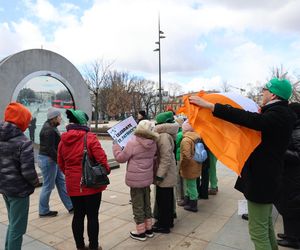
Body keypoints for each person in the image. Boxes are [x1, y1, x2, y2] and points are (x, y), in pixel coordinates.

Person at [189, 78, 296, 250]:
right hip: (268, 179)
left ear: (273, 94)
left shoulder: (278, 114)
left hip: (263, 180)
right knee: (266, 226)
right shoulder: (278, 112)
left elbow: (248, 119)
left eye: (264, 90)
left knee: (258, 232)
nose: (262, 92)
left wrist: (211, 106)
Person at [58, 109, 110, 250]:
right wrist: (106, 170)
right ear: (83, 122)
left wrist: (71, 176)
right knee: (93, 217)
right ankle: (93, 246)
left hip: (73, 185)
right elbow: (102, 159)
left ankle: (80, 247)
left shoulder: (63, 140)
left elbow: (61, 163)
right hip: (91, 184)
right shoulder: (90, 137)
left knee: (78, 216)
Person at [0, 102, 39, 250]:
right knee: (18, 228)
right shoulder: (24, 142)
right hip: (19, 191)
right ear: (21, 120)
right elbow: (28, 172)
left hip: (4, 188)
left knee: (13, 223)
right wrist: (35, 182)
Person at [112, 120, 158, 241]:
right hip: (147, 178)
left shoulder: (133, 142)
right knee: (147, 203)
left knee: (137, 205)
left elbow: (121, 158)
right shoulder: (153, 143)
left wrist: (116, 146)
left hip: (136, 180)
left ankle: (141, 232)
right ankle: (149, 229)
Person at [38, 108, 73, 217]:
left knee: (61, 182)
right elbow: (50, 149)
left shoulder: (50, 127)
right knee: (48, 185)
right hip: (49, 160)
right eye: (59, 116)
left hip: (50, 159)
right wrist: (60, 160)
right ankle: (43, 210)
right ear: (54, 118)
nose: (60, 118)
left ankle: (71, 206)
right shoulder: (49, 130)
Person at [275, 102, 300, 249]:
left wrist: (280, 150)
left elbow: (298, 155)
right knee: (289, 206)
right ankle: (290, 234)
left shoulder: (297, 131)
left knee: (292, 207)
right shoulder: (294, 127)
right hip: (291, 176)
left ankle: (293, 239)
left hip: (294, 177)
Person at [152, 111, 179, 234]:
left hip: (166, 174)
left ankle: (165, 225)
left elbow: (165, 158)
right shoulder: (167, 134)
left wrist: (159, 175)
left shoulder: (163, 136)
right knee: (166, 198)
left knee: (164, 200)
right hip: (169, 172)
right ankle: (167, 221)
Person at [178, 120, 202, 212]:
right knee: (189, 184)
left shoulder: (186, 140)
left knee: (191, 186)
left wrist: (181, 165)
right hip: (196, 164)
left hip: (189, 166)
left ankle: (193, 205)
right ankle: (187, 201)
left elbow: (186, 156)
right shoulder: (196, 137)